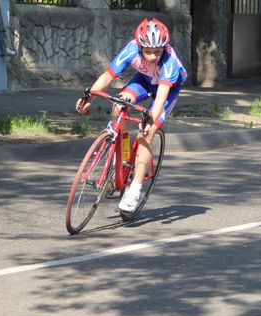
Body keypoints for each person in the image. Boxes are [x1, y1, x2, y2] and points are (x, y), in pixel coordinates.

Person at [75, 18, 188, 213]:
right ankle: (120, 152)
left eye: (157, 52)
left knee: (146, 133)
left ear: (164, 48)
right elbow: (107, 77)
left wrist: (150, 120)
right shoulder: (132, 48)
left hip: (167, 90)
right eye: (148, 52)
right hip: (143, 81)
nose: (153, 56)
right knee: (119, 105)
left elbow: (160, 99)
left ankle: (134, 189)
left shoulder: (169, 62)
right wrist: (87, 100)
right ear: (140, 46)